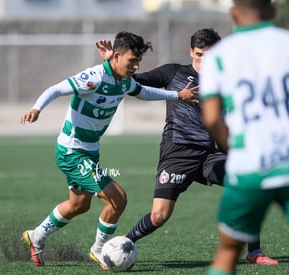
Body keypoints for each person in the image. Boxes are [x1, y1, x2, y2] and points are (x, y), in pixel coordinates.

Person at [96, 28, 277, 264]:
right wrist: (112, 62)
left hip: (207, 154)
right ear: (191, 51)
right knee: (159, 216)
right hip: (177, 153)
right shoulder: (174, 72)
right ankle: (120, 247)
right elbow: (132, 82)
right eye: (200, 54)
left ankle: (255, 252)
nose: (204, 60)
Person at [19, 31, 198, 270]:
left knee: (78, 205)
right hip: (72, 152)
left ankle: (36, 237)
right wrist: (36, 109)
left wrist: (177, 95)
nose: (135, 66)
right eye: (131, 61)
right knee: (118, 199)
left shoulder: (124, 80)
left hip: (90, 151)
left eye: (137, 62)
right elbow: (54, 89)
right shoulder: (93, 77)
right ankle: (98, 250)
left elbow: (144, 92)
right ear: (116, 56)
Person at [200, 0, 289, 274]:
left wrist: (231, 146)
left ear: (234, 14)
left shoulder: (218, 56)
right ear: (272, 12)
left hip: (249, 165)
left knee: (228, 251)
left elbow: (212, 118)